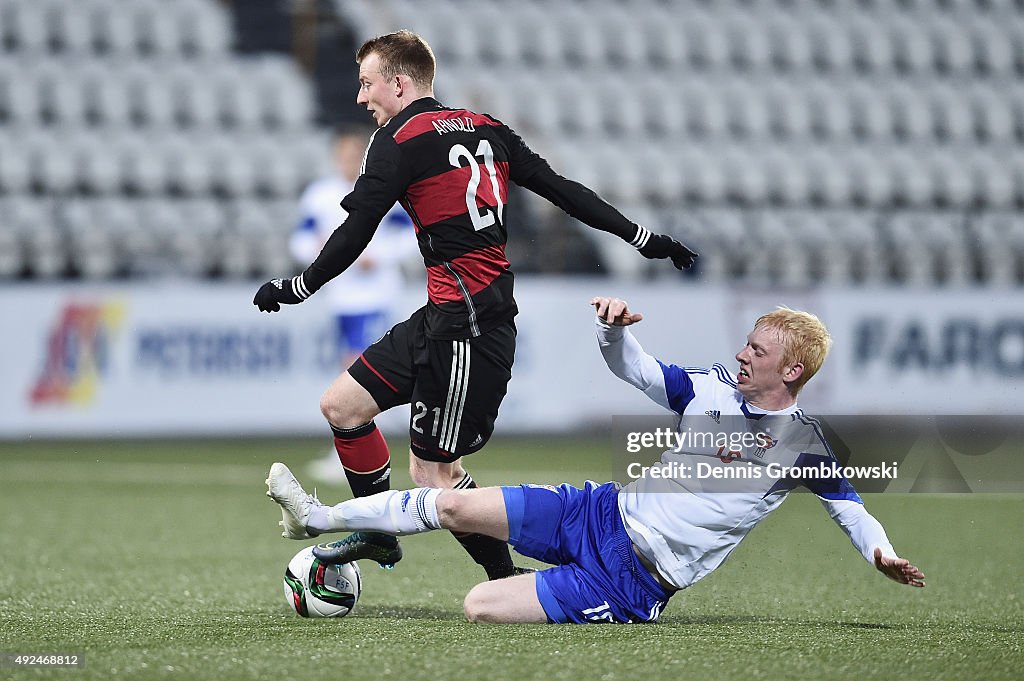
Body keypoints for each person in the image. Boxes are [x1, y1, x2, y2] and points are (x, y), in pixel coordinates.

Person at [253, 30, 698, 581]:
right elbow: (564, 190)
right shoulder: (487, 127)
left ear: (400, 81)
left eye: (368, 84)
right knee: (342, 407)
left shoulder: (398, 140)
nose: (361, 97)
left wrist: (297, 286)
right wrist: (642, 237)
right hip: (444, 315)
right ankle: (378, 535)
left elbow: (355, 231)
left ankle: (507, 579)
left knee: (435, 476)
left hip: (469, 327)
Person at [266, 296, 926, 624]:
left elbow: (852, 509)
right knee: (454, 501)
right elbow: (634, 369)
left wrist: (880, 553)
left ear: (793, 368)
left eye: (758, 348)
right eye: (748, 342)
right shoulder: (711, 387)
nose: (744, 352)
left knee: (478, 604)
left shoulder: (802, 446)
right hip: (597, 510)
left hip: (633, 579)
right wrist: (613, 330)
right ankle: (318, 516)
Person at [289, 125, 418, 483]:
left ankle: (351, 450)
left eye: (354, 155)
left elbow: (411, 233)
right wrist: (319, 251)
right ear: (335, 157)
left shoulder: (383, 189)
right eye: (343, 155)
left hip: (376, 294)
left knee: (357, 368)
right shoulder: (321, 195)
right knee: (353, 369)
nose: (349, 161)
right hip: (341, 297)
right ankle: (358, 448)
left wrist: (379, 256)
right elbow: (300, 239)